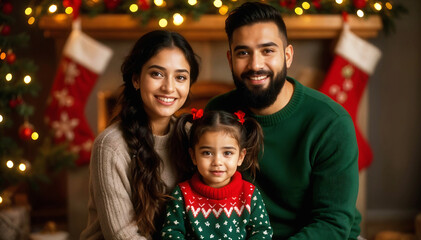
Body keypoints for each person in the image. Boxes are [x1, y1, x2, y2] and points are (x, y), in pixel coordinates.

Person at [205, 2, 361, 240]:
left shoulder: (331, 122)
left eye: (267, 51)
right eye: (243, 52)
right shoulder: (217, 111)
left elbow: (332, 224)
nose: (255, 65)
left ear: (287, 56)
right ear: (230, 59)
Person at [80, 30, 199, 240]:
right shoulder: (111, 146)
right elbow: (122, 236)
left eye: (180, 77)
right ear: (136, 79)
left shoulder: (192, 137)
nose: (169, 87)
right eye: (157, 74)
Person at [161, 110, 273, 239]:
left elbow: (262, 232)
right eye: (207, 153)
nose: (217, 162)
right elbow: (171, 233)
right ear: (193, 156)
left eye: (227, 153)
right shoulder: (182, 194)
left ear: (241, 157)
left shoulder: (249, 194)